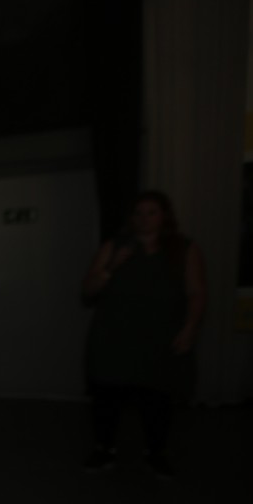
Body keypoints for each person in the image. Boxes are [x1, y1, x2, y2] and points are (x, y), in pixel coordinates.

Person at [80, 190, 205, 476]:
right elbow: (87, 290)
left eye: (151, 212)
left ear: (164, 216)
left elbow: (197, 292)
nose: (144, 219)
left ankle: (156, 452)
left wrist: (190, 328)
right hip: (113, 336)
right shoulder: (114, 246)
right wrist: (112, 266)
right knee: (107, 395)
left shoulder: (184, 249)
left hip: (159, 337)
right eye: (138, 213)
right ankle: (104, 449)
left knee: (157, 398)